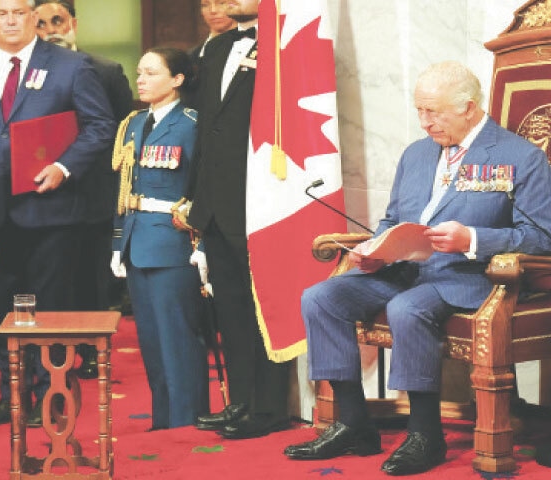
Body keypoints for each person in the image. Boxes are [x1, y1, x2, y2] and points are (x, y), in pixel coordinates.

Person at [284, 61, 551, 476]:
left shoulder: (520, 157)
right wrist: (376, 247)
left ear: (468, 106)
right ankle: (352, 423)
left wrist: (473, 239)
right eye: (419, 111)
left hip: (467, 276)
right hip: (403, 269)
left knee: (407, 309)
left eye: (435, 112)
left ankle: (425, 435)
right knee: (322, 297)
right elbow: (394, 218)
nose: (425, 122)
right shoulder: (417, 153)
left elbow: (540, 237)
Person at [0, 0, 115, 426]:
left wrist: (64, 166)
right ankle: (12, 393)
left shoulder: (71, 66)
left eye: (19, 12)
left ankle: (52, 394)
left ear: (33, 17)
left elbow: (100, 126)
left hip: (52, 209)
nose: (9, 20)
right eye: (0, 13)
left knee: (49, 305)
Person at [187, 0, 291, 440]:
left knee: (263, 304)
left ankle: (268, 409)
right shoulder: (215, 48)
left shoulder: (286, 44)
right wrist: (195, 198)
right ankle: (240, 401)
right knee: (229, 306)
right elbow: (205, 127)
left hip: (260, 198)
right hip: (214, 198)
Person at [34, 0, 134, 380]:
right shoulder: (29, 72)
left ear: (73, 24)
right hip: (45, 192)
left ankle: (95, 351)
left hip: (95, 192)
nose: (50, 29)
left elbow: (124, 133)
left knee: (95, 278)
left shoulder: (106, 70)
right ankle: (56, 351)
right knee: (57, 279)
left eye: (57, 20)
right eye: (41, 23)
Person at [111, 47, 208, 429]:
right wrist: (118, 242)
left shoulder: (191, 123)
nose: (141, 79)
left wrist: (204, 246)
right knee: (151, 341)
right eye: (139, 73)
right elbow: (122, 189)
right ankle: (163, 417)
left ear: (177, 79)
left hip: (173, 240)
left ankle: (187, 419)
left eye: (151, 73)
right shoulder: (133, 123)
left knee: (178, 338)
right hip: (137, 240)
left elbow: (202, 188)